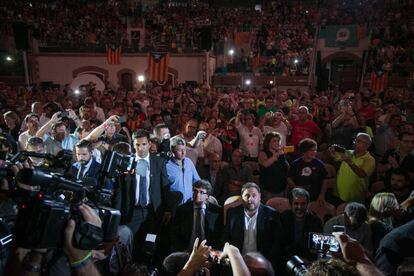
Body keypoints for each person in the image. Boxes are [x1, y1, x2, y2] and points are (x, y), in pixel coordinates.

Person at [113, 129, 170, 252]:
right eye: (137, 145)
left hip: (153, 213)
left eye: (143, 144)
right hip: (133, 213)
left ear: (149, 144)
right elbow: (120, 192)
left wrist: (167, 209)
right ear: (133, 145)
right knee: (130, 245)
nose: (141, 148)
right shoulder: (127, 163)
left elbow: (164, 187)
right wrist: (117, 216)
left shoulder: (159, 162)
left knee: (150, 244)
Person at [223, 182, 282, 272]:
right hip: (237, 261)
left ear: (260, 197)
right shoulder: (232, 213)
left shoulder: (272, 215)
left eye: (254, 195)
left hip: (262, 263)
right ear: (241, 198)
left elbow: (277, 243)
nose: (250, 199)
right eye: (247, 196)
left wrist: (265, 263)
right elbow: (226, 238)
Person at [171, 179, 223, 251]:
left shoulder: (216, 211)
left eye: (201, 192)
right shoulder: (182, 210)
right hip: (186, 251)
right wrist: (182, 250)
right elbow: (175, 234)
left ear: (207, 196)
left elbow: (219, 236)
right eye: (195, 191)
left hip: (209, 252)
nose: (197, 194)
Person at [330, 133, 376, 204]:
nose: (355, 143)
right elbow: (333, 157)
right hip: (338, 193)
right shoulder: (348, 152)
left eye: (359, 141)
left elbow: (362, 174)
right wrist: (332, 150)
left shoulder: (370, 159)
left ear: (368, 145)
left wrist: (350, 162)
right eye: (355, 140)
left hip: (354, 197)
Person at [281, 188, 322, 262]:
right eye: (296, 204)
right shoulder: (283, 218)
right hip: (286, 259)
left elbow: (316, 249)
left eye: (303, 204)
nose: (299, 207)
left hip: (308, 260)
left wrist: (306, 260)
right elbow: (280, 245)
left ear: (307, 204)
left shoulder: (316, 221)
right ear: (291, 204)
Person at [166, 136, 201, 211]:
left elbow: (197, 181)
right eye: (179, 150)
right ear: (172, 150)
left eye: (184, 149)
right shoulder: (166, 166)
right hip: (174, 207)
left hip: (189, 205)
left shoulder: (188, 162)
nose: (183, 152)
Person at [258, 132, 289, 200]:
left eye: (278, 141)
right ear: (268, 142)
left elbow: (285, 167)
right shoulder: (263, 153)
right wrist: (276, 155)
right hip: (268, 190)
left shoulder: (281, 153)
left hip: (282, 188)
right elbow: (265, 164)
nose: (277, 143)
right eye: (274, 141)